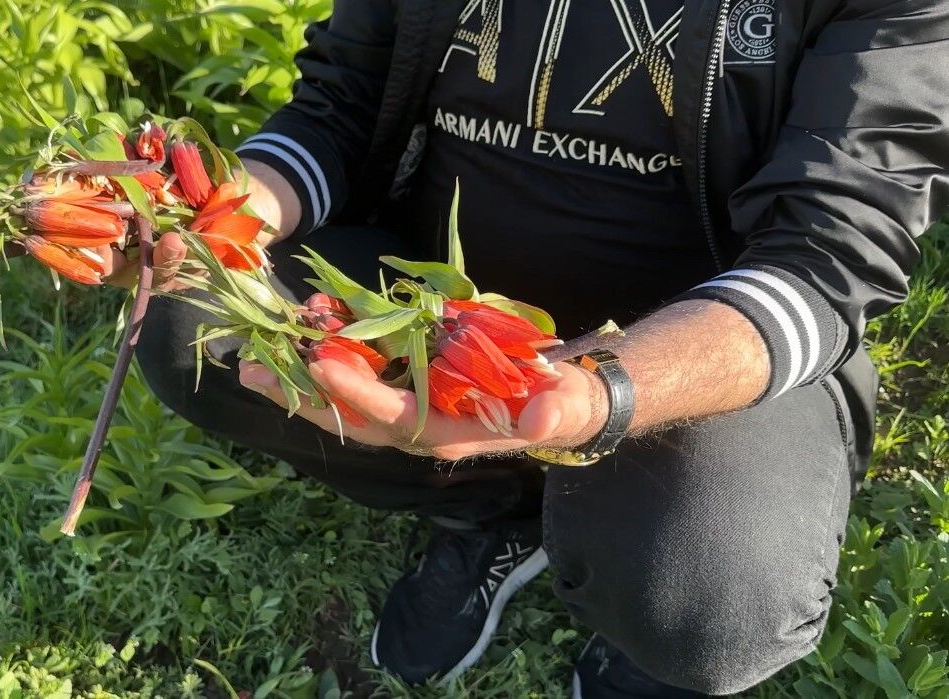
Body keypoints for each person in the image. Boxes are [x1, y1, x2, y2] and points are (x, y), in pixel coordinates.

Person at [117, 0, 945, 694]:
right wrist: (226, 213)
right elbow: (342, 105)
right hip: (440, 307)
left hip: (703, 335)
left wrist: (601, 393)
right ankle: (490, 508)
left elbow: (830, 250)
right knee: (198, 323)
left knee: (712, 597)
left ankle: (639, 645)